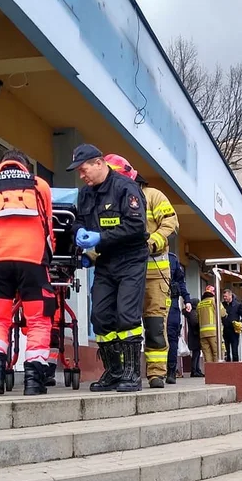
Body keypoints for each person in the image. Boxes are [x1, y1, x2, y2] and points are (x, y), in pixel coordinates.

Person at [0, 150, 56, 396]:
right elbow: (48, 225)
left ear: (1, 165)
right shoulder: (39, 185)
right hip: (32, 262)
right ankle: (33, 380)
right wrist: (47, 258)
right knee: (38, 319)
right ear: (26, 166)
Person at [68, 144, 148, 392]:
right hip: (105, 261)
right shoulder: (86, 193)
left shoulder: (126, 188)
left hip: (131, 258)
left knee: (127, 315)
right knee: (100, 316)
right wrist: (78, 231)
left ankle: (132, 373)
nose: (82, 176)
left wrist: (100, 237)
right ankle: (113, 372)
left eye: (84, 170)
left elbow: (136, 227)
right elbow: (78, 219)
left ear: (99, 163)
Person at [104, 154, 179, 389]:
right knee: (126, 322)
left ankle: (156, 373)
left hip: (154, 270)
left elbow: (171, 224)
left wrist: (152, 242)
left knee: (155, 323)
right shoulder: (111, 199)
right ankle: (129, 371)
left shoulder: (152, 196)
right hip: (125, 270)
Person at [166, 252, 191, 383]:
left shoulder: (172, 259)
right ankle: (155, 372)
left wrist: (187, 300)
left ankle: (171, 371)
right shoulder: (147, 255)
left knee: (172, 337)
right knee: (155, 335)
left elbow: (181, 282)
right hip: (153, 302)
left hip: (172, 302)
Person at [197, 284, 225, 364]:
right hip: (214, 333)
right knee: (217, 354)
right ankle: (217, 374)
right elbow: (223, 313)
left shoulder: (200, 304)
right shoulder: (214, 301)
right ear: (213, 293)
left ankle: (209, 374)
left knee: (207, 356)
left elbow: (197, 318)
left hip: (203, 334)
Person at [221, 288, 242, 362]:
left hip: (234, 331)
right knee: (226, 352)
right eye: (223, 296)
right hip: (225, 331)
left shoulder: (237, 305)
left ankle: (236, 368)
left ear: (230, 296)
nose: (224, 298)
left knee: (234, 351)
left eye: (226, 296)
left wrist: (241, 323)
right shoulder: (222, 305)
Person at [186, 296, 204, 377]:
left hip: (194, 335)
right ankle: (194, 370)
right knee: (196, 353)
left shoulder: (192, 312)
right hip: (195, 335)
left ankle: (197, 369)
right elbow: (195, 323)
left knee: (196, 353)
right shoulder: (193, 312)